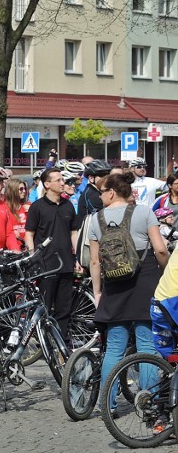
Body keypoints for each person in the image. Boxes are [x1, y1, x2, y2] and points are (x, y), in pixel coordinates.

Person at [89, 172, 168, 420]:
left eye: (102, 192)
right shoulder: (144, 212)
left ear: (111, 193)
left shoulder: (95, 219)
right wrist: (164, 274)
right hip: (145, 280)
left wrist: (98, 291)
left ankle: (107, 404)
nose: (100, 196)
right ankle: (149, 402)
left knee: (114, 347)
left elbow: (94, 261)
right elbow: (160, 249)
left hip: (114, 284)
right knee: (147, 345)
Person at [25, 168, 81, 342]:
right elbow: (29, 234)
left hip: (65, 263)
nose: (62, 182)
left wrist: (77, 257)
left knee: (64, 308)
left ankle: (60, 342)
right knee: (45, 306)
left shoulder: (68, 205)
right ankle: (44, 341)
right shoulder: (37, 207)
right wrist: (33, 256)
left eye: (62, 179)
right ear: (47, 184)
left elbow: (74, 233)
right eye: (58, 180)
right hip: (45, 265)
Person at [5, 178, 30, 245]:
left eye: (25, 188)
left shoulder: (28, 206)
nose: (24, 191)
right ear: (13, 190)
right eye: (21, 189)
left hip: (27, 245)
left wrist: (32, 210)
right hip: (12, 246)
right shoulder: (4, 207)